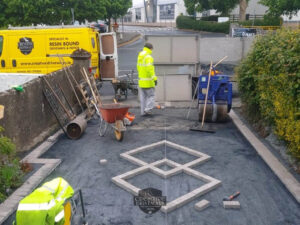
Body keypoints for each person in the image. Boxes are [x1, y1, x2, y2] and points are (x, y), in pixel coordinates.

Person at [137, 43, 158, 115]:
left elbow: (138, 68)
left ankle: (143, 112)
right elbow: (150, 69)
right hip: (148, 82)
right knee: (151, 96)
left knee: (143, 98)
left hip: (141, 81)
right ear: (150, 48)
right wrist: (154, 78)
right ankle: (147, 109)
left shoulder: (140, 56)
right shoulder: (148, 57)